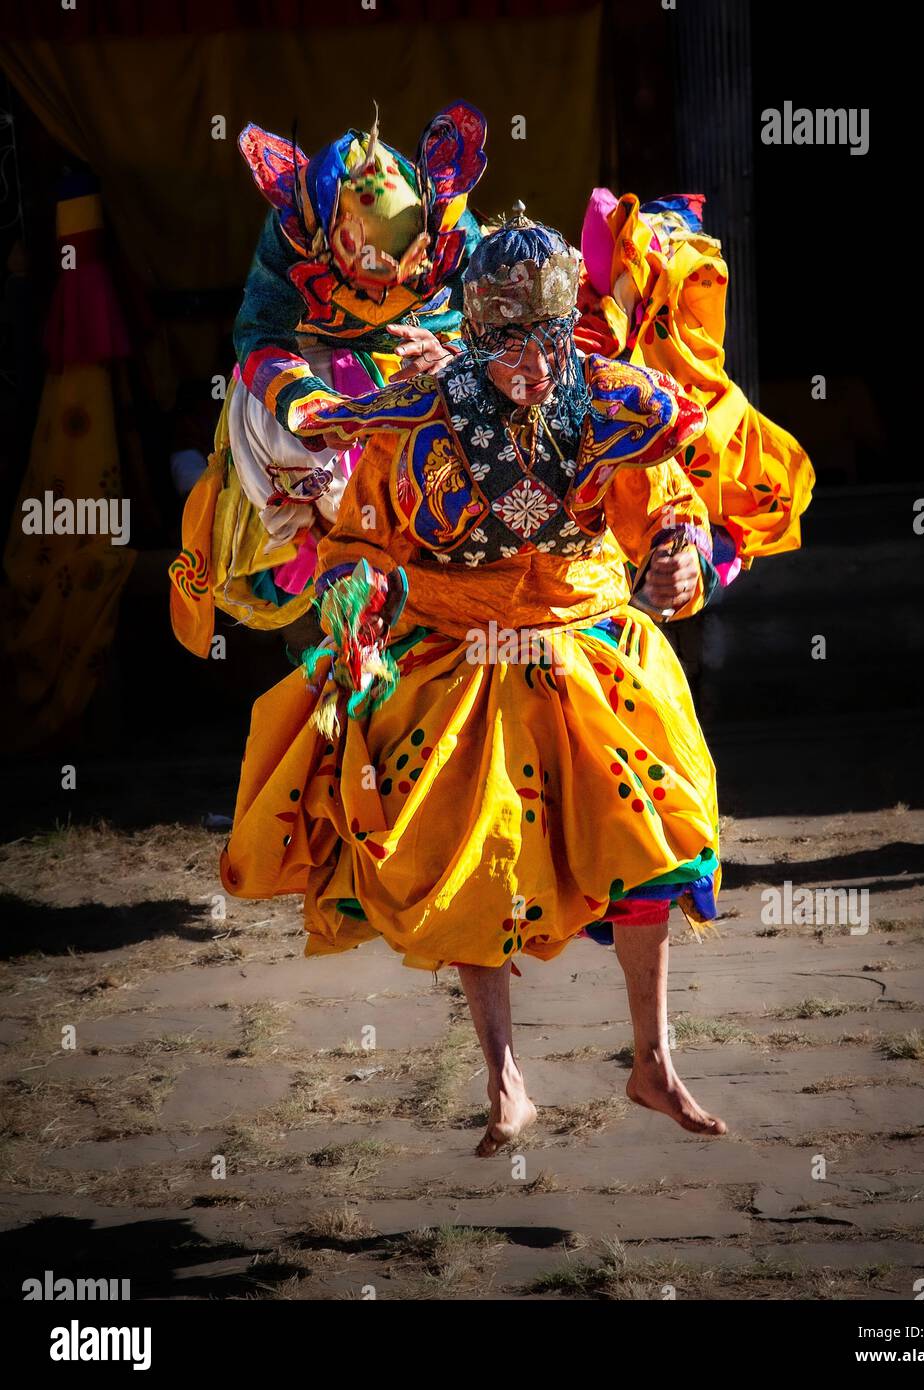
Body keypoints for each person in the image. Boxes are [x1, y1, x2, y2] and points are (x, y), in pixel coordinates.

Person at [218, 207, 812, 1156]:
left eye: (548, 343)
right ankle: (504, 1080)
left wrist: (679, 558)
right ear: (477, 337)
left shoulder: (615, 401)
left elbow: (667, 507)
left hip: (586, 642)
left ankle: (653, 1059)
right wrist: (353, 605)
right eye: (509, 350)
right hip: (462, 649)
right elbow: (361, 540)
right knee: (462, 855)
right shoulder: (418, 418)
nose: (534, 370)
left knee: (654, 830)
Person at [169, 102, 488, 657]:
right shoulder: (293, 228)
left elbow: (494, 332)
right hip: (311, 361)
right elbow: (258, 333)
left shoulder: (455, 233)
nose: (376, 300)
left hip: (419, 360)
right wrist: (307, 405)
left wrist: (451, 357)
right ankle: (316, 552)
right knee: (264, 420)